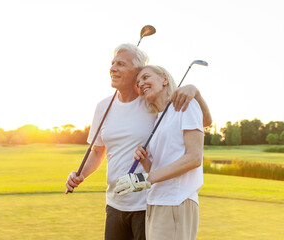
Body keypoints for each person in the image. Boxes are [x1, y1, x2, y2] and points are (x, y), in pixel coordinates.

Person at [65, 43, 211, 240]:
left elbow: (202, 125)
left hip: (149, 203)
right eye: (112, 63)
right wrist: (80, 175)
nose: (113, 68)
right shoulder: (107, 107)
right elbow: (98, 151)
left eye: (121, 64)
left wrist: (195, 92)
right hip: (117, 203)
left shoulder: (156, 104)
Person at [114, 65, 205, 240]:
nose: (141, 84)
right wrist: (145, 161)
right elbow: (158, 169)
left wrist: (145, 179)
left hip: (176, 202)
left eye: (145, 77)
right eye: (138, 82)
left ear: (164, 79)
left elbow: (194, 158)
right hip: (155, 202)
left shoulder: (186, 104)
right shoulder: (158, 119)